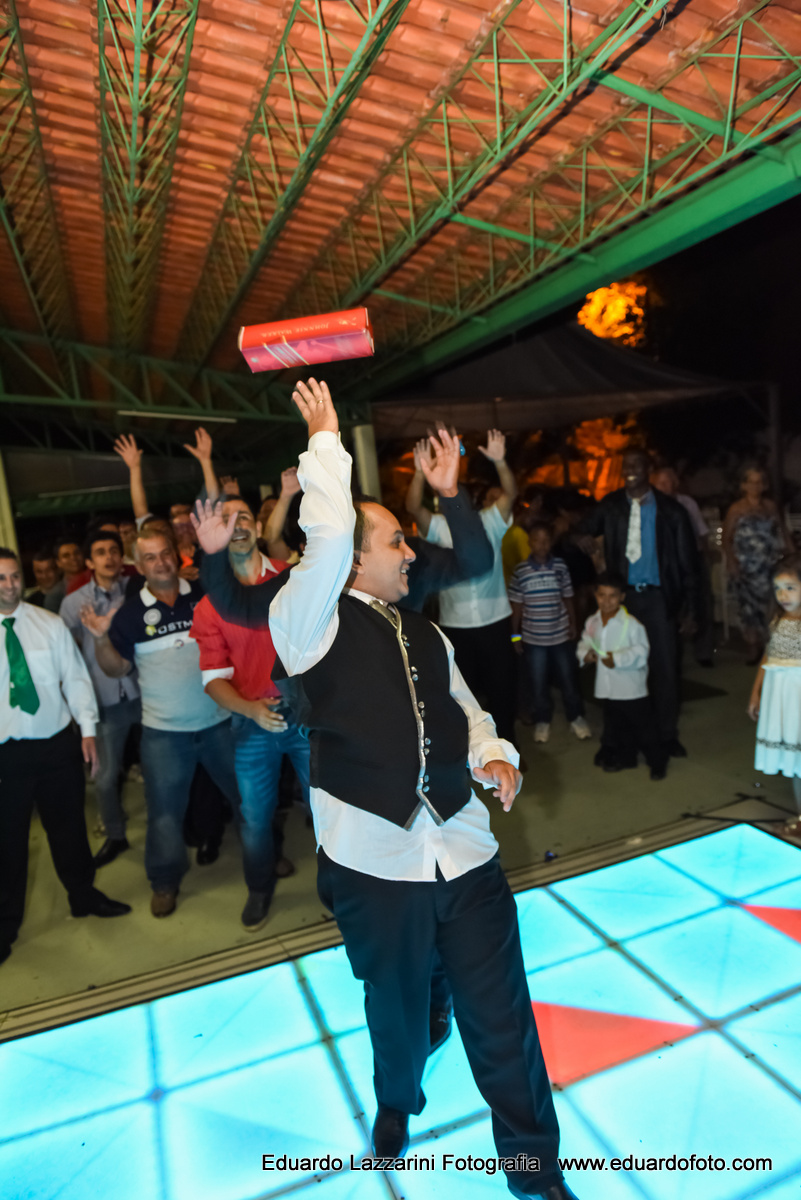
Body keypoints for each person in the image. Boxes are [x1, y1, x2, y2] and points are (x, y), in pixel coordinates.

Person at [193, 379, 579, 1200]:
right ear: (351, 556)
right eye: (396, 541)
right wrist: (324, 439)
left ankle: (534, 1175)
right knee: (398, 1021)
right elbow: (325, 537)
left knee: (503, 1023)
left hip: (466, 855)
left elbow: (468, 714)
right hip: (375, 868)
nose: (410, 552)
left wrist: (493, 755)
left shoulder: (429, 633)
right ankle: (397, 1102)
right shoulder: (307, 621)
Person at [79, 528, 240, 918]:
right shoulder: (131, 613)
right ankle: (165, 882)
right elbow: (117, 669)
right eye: (150, 557)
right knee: (165, 814)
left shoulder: (204, 595)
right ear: (140, 564)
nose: (160, 562)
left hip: (221, 722)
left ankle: (266, 857)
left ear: (175, 554)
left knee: (249, 798)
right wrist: (101, 639)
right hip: (164, 734)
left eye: (165, 553)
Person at [0, 547, 131, 966]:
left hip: (56, 745)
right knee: (8, 844)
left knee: (69, 828)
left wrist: (87, 730)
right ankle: (5, 924)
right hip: (5, 756)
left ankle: (83, 896)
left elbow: (75, 679)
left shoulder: (49, 623)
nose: (10, 585)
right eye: (1, 579)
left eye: (14, 576)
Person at [190, 496, 306, 931]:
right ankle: (259, 888)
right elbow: (213, 679)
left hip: (306, 714)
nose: (236, 526)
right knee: (255, 817)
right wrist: (251, 710)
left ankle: (340, 889)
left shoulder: (292, 578)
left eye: (243, 517)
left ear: (258, 526)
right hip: (251, 721)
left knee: (328, 806)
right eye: (226, 520)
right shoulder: (210, 607)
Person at [578, 447, 699, 756]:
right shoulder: (611, 505)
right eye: (626, 465)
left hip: (658, 599)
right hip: (622, 599)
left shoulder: (671, 510)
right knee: (622, 666)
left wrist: (690, 609)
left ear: (648, 469)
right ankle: (628, 734)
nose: (630, 470)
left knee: (664, 668)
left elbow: (688, 564)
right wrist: (581, 539)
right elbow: (579, 531)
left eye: (636, 464)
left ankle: (667, 734)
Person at [406, 429, 518, 743]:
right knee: (462, 691)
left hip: (495, 621)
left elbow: (510, 493)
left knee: (502, 687)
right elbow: (414, 507)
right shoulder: (438, 525)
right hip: (454, 625)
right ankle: (470, 749)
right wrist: (419, 473)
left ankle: (507, 744)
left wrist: (500, 462)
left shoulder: (490, 520)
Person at [60, 530, 142, 866]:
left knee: (160, 768)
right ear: (90, 561)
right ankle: (115, 835)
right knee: (105, 776)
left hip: (145, 693)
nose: (109, 557)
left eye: (114, 551)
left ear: (122, 557)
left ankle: (182, 826)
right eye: (100, 552)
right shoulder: (73, 603)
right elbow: (66, 657)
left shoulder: (138, 592)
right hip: (103, 700)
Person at [577, 573, 667, 780]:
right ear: (595, 595)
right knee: (617, 724)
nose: (607, 601)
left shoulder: (632, 625)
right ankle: (627, 757)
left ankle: (657, 761)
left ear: (622, 597)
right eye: (602, 595)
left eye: (612, 596)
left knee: (644, 727)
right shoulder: (593, 622)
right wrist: (586, 654)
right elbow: (585, 641)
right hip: (609, 688)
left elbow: (641, 652)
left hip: (631, 688)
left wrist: (616, 659)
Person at [509, 521, 590, 744]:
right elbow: (517, 607)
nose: (542, 545)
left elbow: (568, 597)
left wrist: (573, 624)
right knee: (538, 682)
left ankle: (576, 717)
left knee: (568, 679)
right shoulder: (521, 571)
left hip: (560, 635)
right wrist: (515, 636)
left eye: (546, 541)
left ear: (551, 543)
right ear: (530, 543)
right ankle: (542, 720)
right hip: (534, 640)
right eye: (537, 540)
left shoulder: (560, 567)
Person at [748, 552, 801, 833]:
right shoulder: (778, 621)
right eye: (778, 588)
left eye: (790, 587)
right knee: (795, 762)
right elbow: (768, 658)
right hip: (780, 699)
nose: (783, 595)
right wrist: (756, 694)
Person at [723, 465, 790, 665]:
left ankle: (772, 646)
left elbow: (783, 531)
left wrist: (793, 554)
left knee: (772, 605)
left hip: (770, 564)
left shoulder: (770, 506)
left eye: (760, 481)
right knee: (749, 609)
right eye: (751, 482)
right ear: (744, 485)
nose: (756, 486)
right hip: (746, 566)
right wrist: (732, 563)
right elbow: (727, 539)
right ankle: (753, 648)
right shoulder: (737, 508)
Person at [652, 464, 715, 667]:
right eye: (660, 483)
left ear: (675, 483)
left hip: (691, 557)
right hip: (665, 562)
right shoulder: (650, 505)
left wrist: (704, 557)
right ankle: (671, 652)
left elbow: (701, 532)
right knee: (670, 605)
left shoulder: (687, 503)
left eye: (668, 482)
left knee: (701, 603)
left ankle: (704, 651)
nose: (664, 486)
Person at [44, 536, 85, 613]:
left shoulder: (97, 582)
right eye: (66, 555)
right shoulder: (56, 594)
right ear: (58, 563)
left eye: (77, 553)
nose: (73, 558)